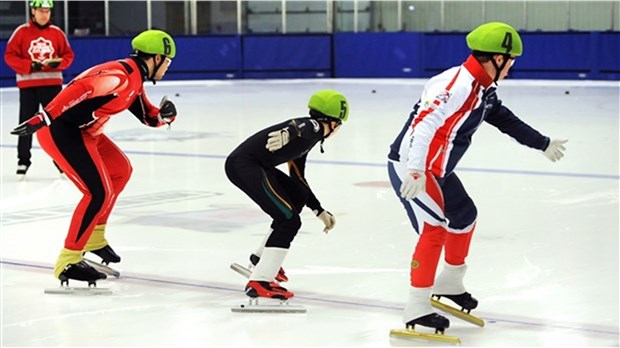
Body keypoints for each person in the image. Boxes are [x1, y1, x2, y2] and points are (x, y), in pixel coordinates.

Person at [387, 22, 567, 331]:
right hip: (412, 165)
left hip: (438, 168)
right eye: (510, 61)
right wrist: (416, 169)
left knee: (465, 215)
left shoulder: (483, 88)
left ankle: (450, 283)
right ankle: (416, 306)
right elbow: (424, 124)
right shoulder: (455, 85)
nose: (512, 68)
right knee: (434, 228)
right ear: (497, 58)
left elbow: (504, 119)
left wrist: (543, 143)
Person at [10, 29, 178, 285]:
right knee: (97, 192)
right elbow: (80, 88)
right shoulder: (119, 76)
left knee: (121, 170)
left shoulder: (134, 80)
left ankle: (94, 237)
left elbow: (147, 115)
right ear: (156, 58)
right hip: (61, 132)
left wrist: (165, 116)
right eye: (167, 62)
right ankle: (68, 259)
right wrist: (43, 117)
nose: (167, 68)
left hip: (87, 133)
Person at [225, 89, 349, 300]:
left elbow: (298, 178)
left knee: (297, 196)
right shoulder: (313, 128)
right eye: (339, 125)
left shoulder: (307, 141)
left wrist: (319, 210)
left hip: (256, 166)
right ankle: (260, 281)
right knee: (289, 220)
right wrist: (290, 132)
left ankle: (260, 259)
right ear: (333, 122)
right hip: (245, 166)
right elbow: (302, 125)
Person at [4, 0, 74, 179]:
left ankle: (60, 161)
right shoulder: (21, 32)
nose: (45, 14)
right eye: (41, 10)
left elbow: (68, 55)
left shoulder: (57, 33)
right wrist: (29, 65)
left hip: (52, 86)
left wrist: (56, 63)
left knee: (57, 125)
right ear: (33, 11)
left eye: (48, 11)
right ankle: (23, 160)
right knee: (27, 123)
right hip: (29, 87)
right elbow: (10, 56)